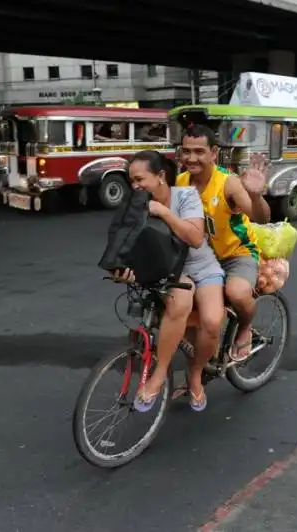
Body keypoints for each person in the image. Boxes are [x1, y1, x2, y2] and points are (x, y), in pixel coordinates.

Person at [112, 150, 225, 412]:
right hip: (169, 269)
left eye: (140, 179)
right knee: (179, 302)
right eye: (132, 181)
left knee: (211, 322)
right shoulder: (136, 204)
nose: (135, 186)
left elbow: (196, 238)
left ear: (161, 176)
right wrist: (123, 268)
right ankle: (160, 374)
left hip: (202, 266)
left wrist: (163, 212)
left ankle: (195, 374)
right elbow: (124, 242)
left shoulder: (185, 196)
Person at [175, 125, 270, 371]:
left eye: (199, 151)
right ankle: (202, 368)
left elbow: (261, 219)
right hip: (202, 259)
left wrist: (256, 195)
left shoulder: (228, 184)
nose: (191, 158)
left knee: (237, 293)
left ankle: (246, 326)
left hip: (236, 254)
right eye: (186, 151)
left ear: (213, 153)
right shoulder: (181, 180)